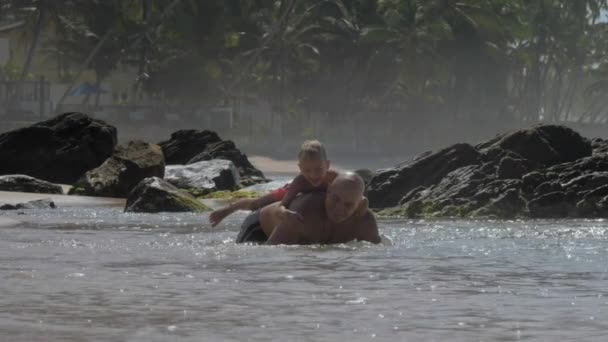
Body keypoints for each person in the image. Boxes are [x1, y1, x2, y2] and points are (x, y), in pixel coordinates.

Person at [209, 140, 368, 227]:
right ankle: (229, 209)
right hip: (292, 191)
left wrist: (363, 204)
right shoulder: (300, 181)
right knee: (257, 203)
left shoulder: (336, 179)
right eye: (307, 170)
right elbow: (282, 205)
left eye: (318, 169)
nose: (313, 175)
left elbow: (355, 195)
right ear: (300, 169)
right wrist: (285, 212)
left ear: (327, 165)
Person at [236, 172, 381, 245]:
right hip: (259, 227)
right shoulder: (302, 214)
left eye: (348, 205)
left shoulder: (365, 222)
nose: (338, 209)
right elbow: (273, 255)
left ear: (360, 205)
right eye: (335, 199)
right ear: (328, 192)